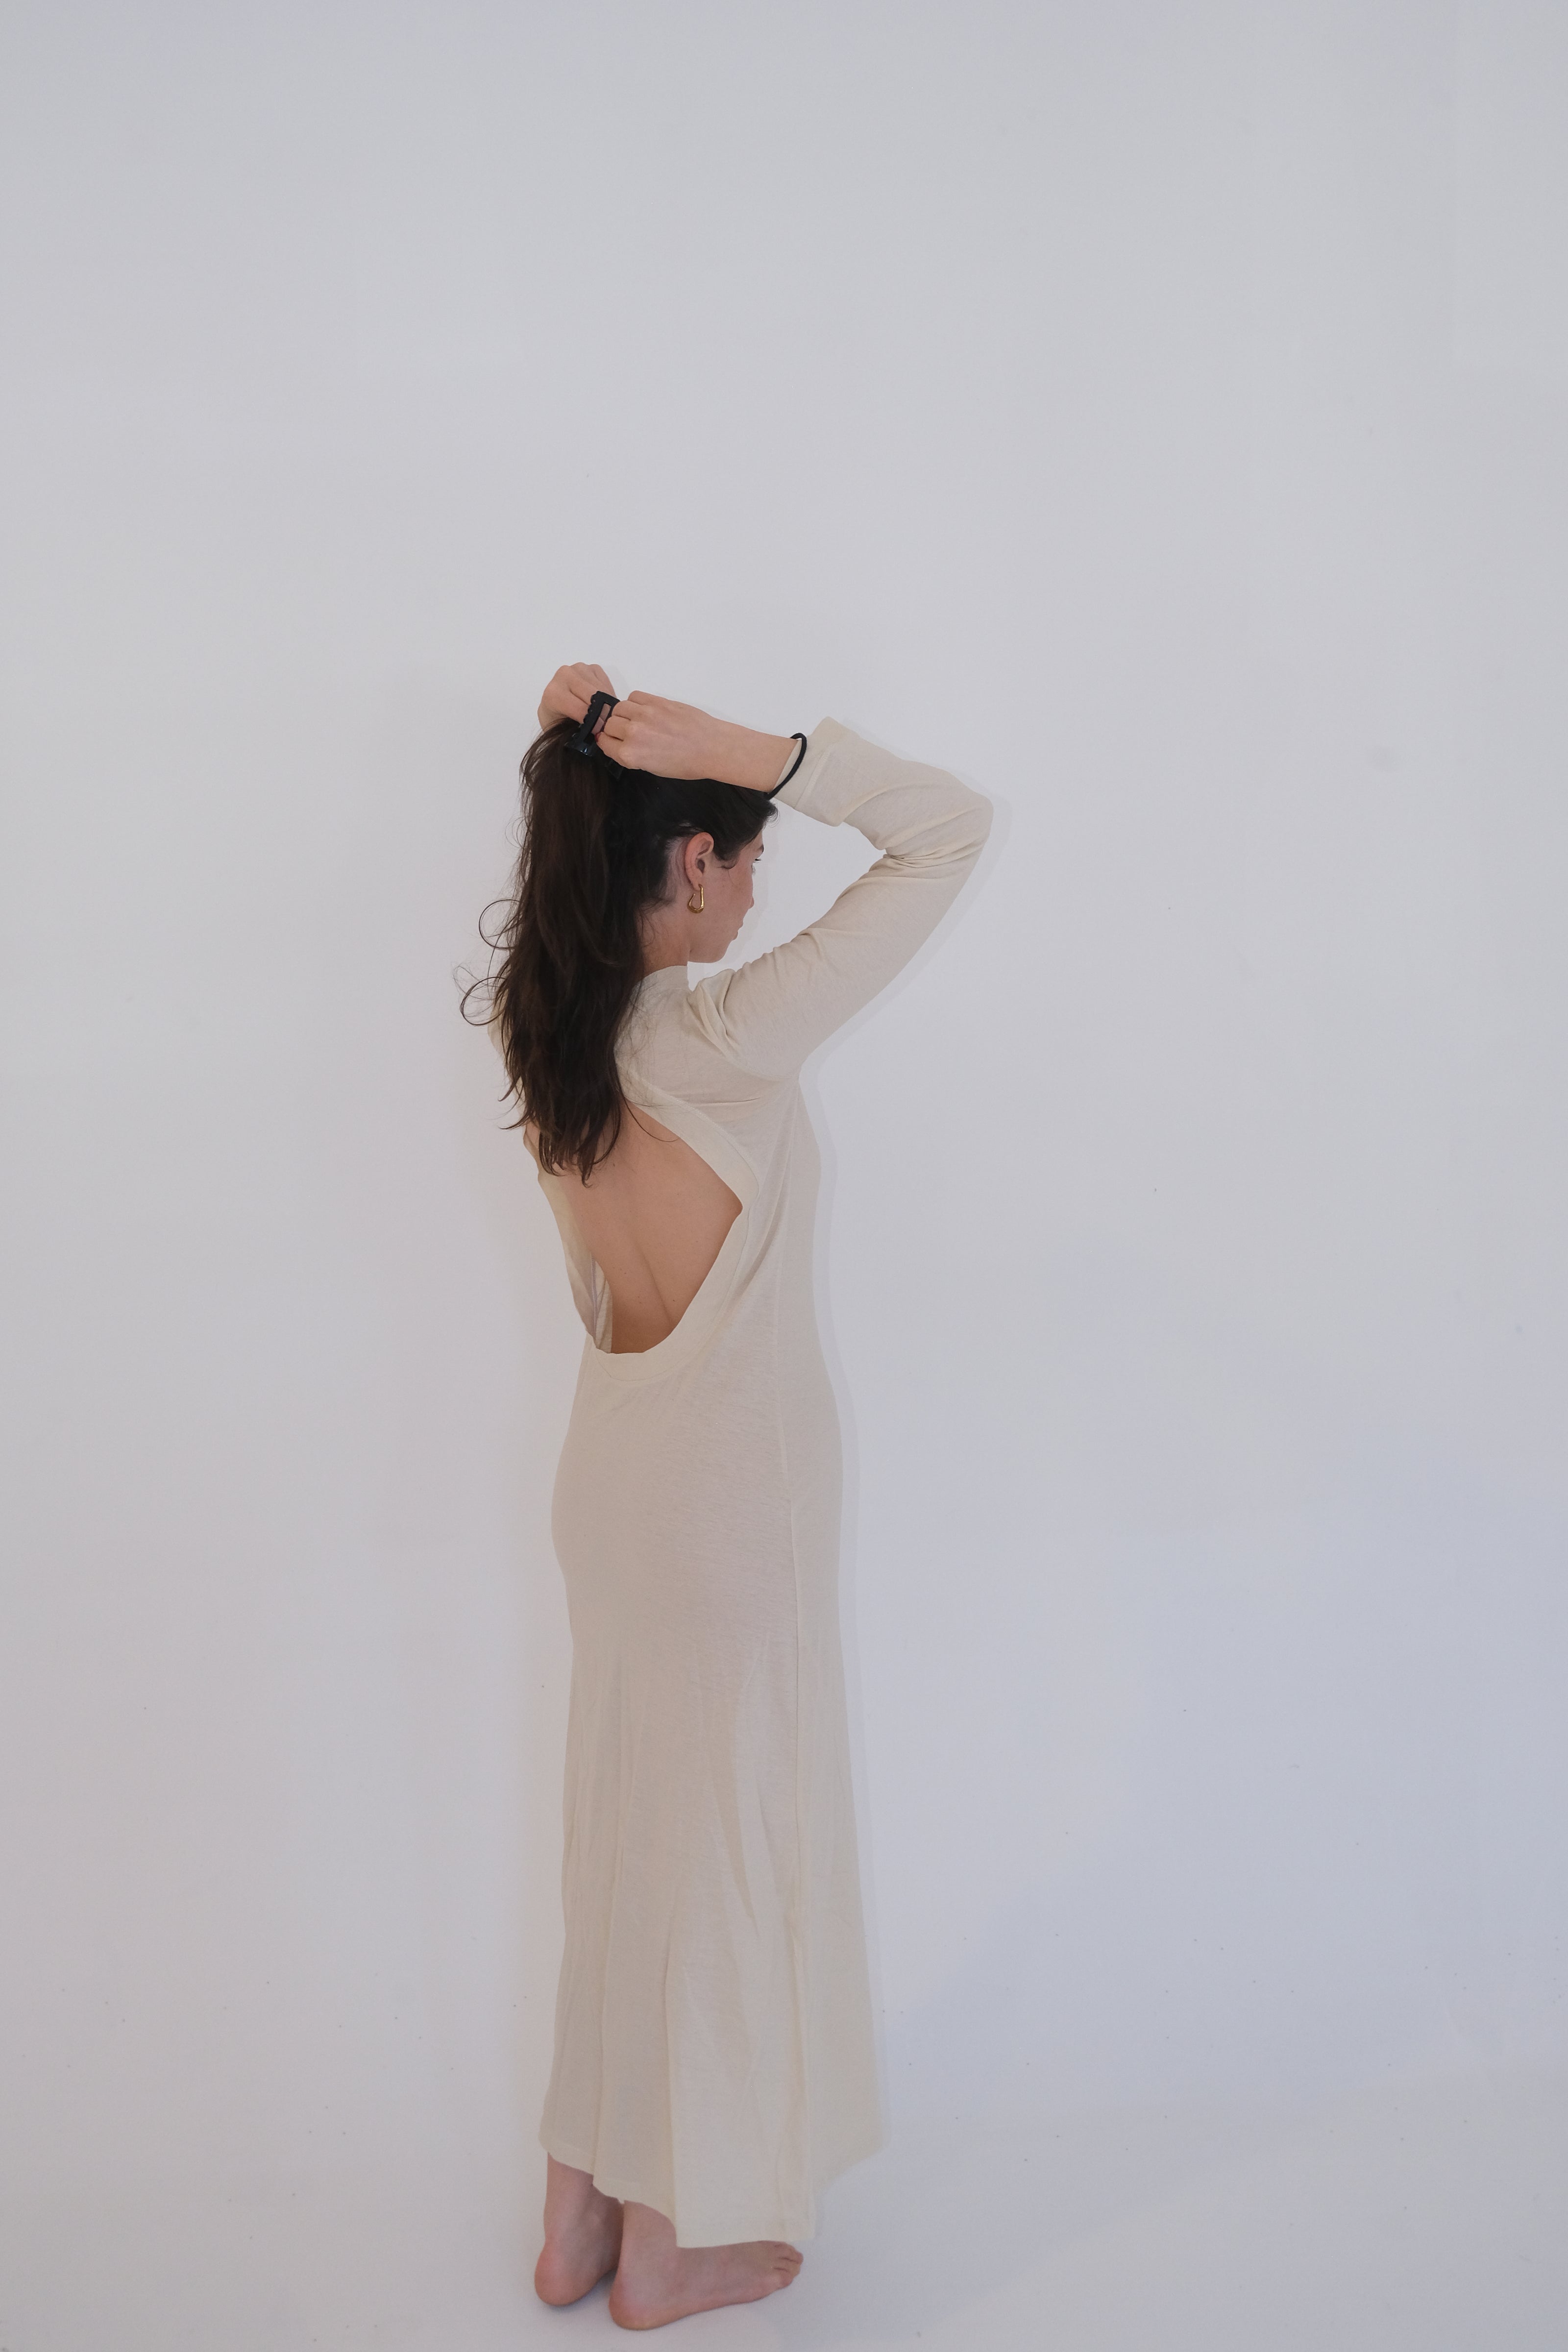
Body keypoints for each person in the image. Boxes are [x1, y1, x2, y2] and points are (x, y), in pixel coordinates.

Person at [470, 663, 991, 2328]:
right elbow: (948, 830)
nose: (760, 889)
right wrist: (769, 755)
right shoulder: (720, 1036)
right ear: (692, 860)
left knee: (621, 1851)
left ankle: (577, 2218)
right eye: (748, 855)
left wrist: (585, 742)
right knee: (723, 1862)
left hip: (613, 1499)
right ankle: (672, 2246)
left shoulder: (550, 1034)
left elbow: (592, 871)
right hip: (729, 1520)